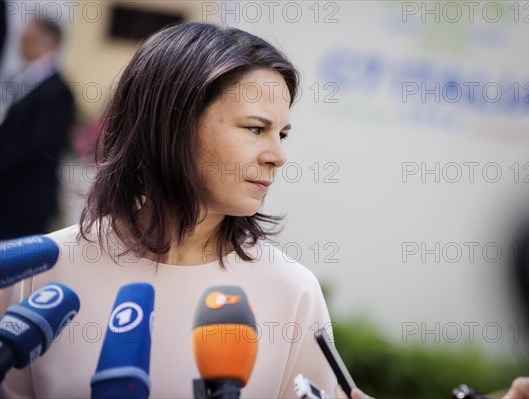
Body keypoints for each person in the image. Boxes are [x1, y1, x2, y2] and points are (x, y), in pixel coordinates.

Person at [0, 22, 336, 398]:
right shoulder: (42, 273)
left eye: (283, 134)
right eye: (256, 129)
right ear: (173, 123)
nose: (278, 156)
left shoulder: (293, 292)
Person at [0, 18, 75, 240]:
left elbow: (36, 147)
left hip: (25, 201)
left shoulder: (58, 92)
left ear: (49, 44)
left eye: (28, 38)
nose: (21, 44)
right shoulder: (22, 79)